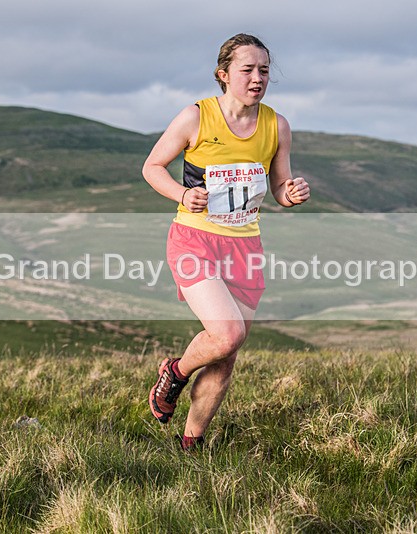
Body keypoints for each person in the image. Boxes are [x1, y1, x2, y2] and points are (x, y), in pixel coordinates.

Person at [143, 33, 310, 451]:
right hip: (194, 239)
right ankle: (176, 373)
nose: (258, 78)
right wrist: (183, 194)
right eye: (247, 70)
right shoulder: (196, 117)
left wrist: (289, 195)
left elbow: (278, 186)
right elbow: (152, 166)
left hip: (245, 247)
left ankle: (191, 444)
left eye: (265, 70)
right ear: (223, 75)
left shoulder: (277, 125)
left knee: (226, 355)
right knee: (228, 333)